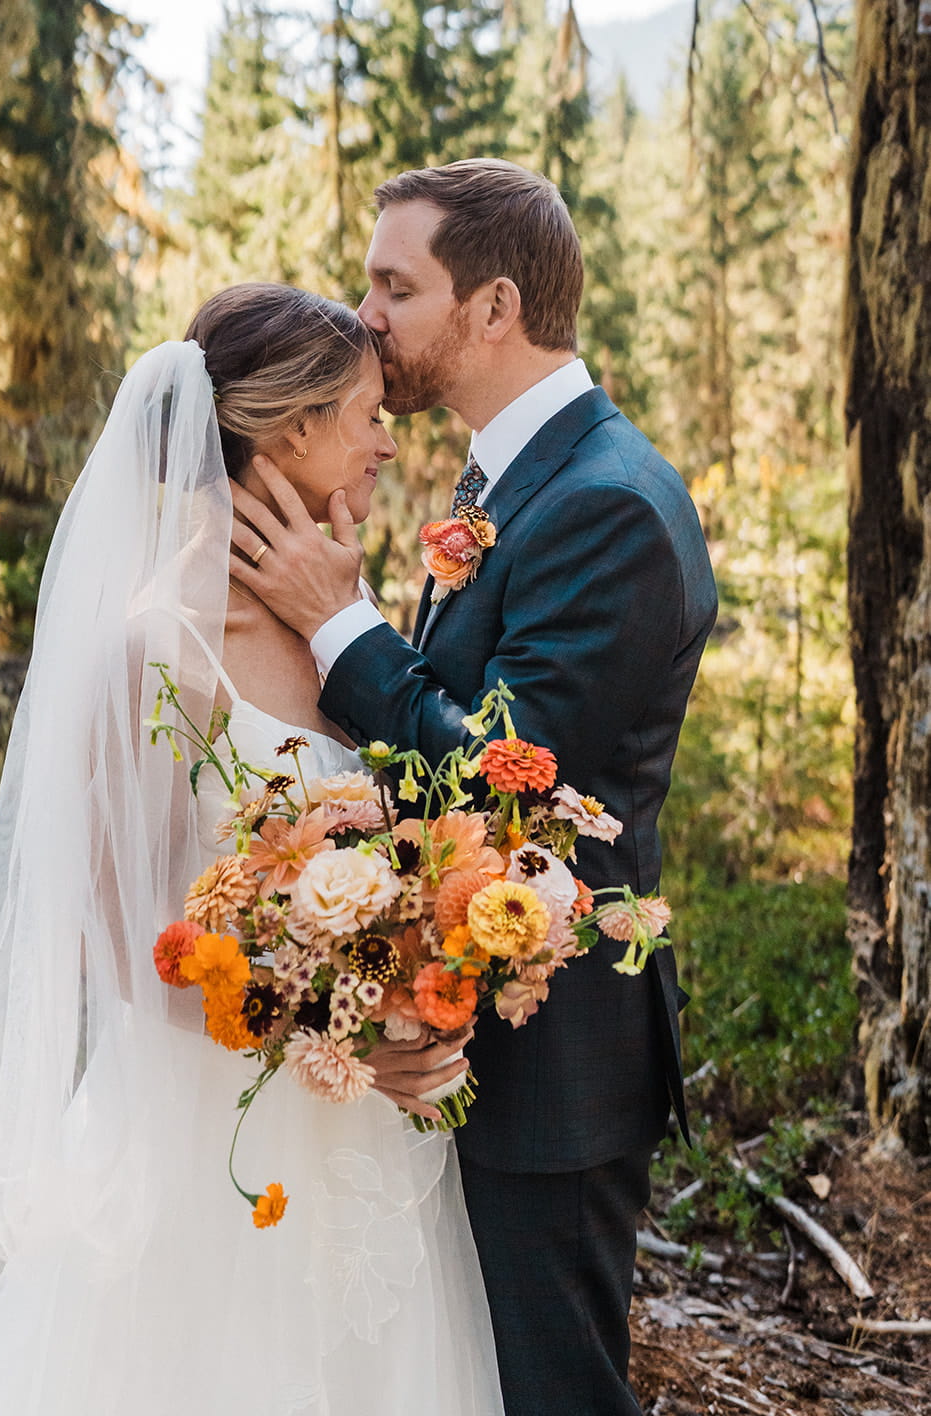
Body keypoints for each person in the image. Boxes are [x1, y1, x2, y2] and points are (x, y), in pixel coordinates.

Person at [0, 284, 504, 1416]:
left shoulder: (338, 611)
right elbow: (126, 934)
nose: (389, 441)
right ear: (289, 432)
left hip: (363, 1147)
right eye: (365, 413)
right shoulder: (154, 649)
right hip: (212, 1144)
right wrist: (328, 1031)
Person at [229, 161, 719, 1416]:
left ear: (493, 307)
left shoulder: (603, 503)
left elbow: (512, 783)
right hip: (466, 1031)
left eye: (396, 285)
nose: (368, 315)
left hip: (550, 1068)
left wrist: (340, 627)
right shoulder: (509, 476)